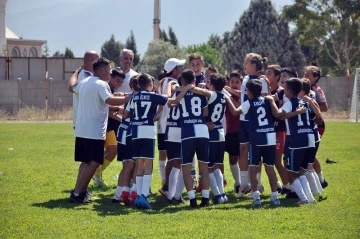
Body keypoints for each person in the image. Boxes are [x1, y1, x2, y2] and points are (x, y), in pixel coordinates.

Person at [67, 57, 131, 203]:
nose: (110, 73)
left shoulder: (84, 82)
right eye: (109, 70)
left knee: (86, 162)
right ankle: (77, 194)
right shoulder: (101, 84)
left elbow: (71, 86)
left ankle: (80, 192)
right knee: (93, 162)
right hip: (93, 130)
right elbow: (110, 100)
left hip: (82, 129)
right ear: (102, 70)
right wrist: (130, 97)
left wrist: (76, 72)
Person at [123, 73, 190, 209]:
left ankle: (138, 195)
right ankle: (143, 196)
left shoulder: (134, 97)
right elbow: (173, 102)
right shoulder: (153, 96)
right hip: (147, 131)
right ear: (151, 85)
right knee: (148, 164)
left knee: (139, 164)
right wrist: (183, 90)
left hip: (135, 131)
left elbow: (126, 114)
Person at [227, 79, 285, 206]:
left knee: (253, 167)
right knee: (269, 167)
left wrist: (227, 99)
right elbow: (277, 114)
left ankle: (256, 196)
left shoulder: (249, 103)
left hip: (256, 138)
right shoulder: (268, 100)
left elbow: (235, 112)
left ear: (249, 92)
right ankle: (275, 197)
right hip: (270, 137)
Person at [268, 77, 317, 204]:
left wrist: (271, 101)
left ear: (289, 91)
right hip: (309, 137)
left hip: (297, 139)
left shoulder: (290, 102)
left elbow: (278, 115)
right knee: (301, 170)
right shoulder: (304, 102)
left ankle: (303, 198)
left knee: (291, 172)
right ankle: (310, 198)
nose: (283, 90)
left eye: (285, 88)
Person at [176, 69, 210, 208]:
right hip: (202, 129)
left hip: (188, 131)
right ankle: (206, 199)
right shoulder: (201, 94)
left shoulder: (180, 92)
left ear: (182, 81)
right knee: (204, 167)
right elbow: (206, 112)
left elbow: (173, 102)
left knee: (186, 167)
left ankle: (192, 199)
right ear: (194, 81)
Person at [238, 53, 269, 197]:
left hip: (255, 122)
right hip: (243, 120)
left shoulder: (262, 81)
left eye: (247, 62)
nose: (244, 65)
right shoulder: (244, 79)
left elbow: (264, 102)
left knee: (256, 153)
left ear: (254, 65)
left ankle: (257, 183)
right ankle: (244, 184)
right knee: (243, 150)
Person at [157, 58, 185, 197]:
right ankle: (171, 189)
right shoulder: (173, 82)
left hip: (164, 125)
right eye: (180, 66)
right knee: (176, 159)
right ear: (174, 70)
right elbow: (173, 93)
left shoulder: (163, 81)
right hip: (173, 126)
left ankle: (166, 185)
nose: (183, 68)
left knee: (169, 158)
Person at [93, 69, 125, 188]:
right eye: (117, 80)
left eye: (121, 82)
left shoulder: (111, 90)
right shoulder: (105, 89)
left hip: (108, 125)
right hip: (105, 125)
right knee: (113, 150)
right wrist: (123, 119)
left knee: (110, 151)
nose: (119, 84)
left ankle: (97, 177)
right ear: (110, 77)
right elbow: (107, 111)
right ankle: (96, 174)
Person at [113, 75, 139, 204]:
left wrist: (118, 109)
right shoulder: (137, 97)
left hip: (122, 131)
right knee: (133, 165)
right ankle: (129, 193)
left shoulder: (129, 96)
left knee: (126, 166)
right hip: (130, 133)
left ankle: (118, 194)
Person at [299, 78, 327, 201]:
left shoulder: (304, 101)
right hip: (313, 136)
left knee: (304, 167)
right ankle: (319, 192)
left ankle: (311, 195)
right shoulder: (310, 99)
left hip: (308, 136)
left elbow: (319, 119)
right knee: (309, 166)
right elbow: (319, 118)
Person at [266, 65, 292, 194]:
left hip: (279, 129)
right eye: (266, 72)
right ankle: (278, 185)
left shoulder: (282, 92)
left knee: (277, 160)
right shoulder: (265, 91)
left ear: (277, 77)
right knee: (268, 161)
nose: (266, 75)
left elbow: (282, 113)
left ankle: (288, 186)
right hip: (267, 130)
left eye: (269, 73)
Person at [304, 62, 328, 188]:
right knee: (310, 154)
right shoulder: (303, 87)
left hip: (316, 125)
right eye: (304, 74)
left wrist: (312, 105)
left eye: (307, 75)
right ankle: (320, 180)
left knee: (310, 155)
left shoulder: (316, 90)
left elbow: (324, 107)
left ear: (315, 78)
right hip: (306, 126)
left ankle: (320, 180)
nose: (305, 76)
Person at [224, 72, 242, 194]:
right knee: (232, 158)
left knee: (244, 158)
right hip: (229, 130)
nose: (234, 84)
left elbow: (239, 107)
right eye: (232, 82)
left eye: (237, 82)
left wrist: (228, 93)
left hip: (241, 129)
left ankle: (247, 183)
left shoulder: (242, 95)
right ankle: (238, 182)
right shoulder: (225, 94)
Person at [72, 51, 99, 128]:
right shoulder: (84, 77)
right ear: (92, 61)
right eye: (98, 60)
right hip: (85, 123)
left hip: (83, 122)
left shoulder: (83, 74)